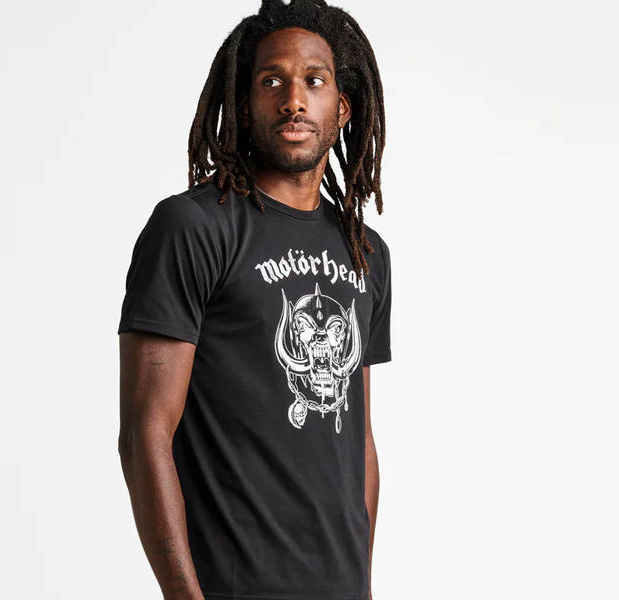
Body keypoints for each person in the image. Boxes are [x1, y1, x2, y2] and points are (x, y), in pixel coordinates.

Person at [117, 1, 391, 598]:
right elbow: (145, 433)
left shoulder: (366, 252)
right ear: (243, 105)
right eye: (272, 81)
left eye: (314, 81)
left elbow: (360, 441)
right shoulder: (194, 228)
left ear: (342, 108)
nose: (294, 100)